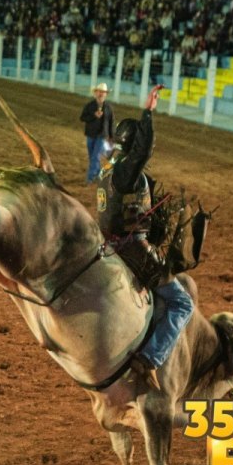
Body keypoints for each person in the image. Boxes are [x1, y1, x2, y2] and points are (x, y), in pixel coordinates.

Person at [96, 84, 194, 391]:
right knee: (182, 303)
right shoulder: (128, 170)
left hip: (108, 244)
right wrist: (149, 111)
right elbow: (144, 149)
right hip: (132, 249)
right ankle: (150, 358)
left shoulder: (108, 168)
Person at [80, 82, 114, 184]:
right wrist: (94, 116)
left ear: (105, 94)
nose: (101, 94)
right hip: (91, 134)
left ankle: (90, 179)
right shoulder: (89, 106)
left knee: (95, 156)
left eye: (103, 92)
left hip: (102, 136)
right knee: (93, 157)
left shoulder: (108, 108)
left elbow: (112, 122)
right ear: (96, 93)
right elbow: (82, 118)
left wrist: (112, 137)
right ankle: (99, 174)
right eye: (100, 92)